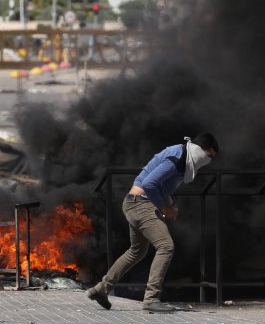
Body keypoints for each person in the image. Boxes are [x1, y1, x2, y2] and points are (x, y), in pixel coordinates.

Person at [86, 133, 219, 314]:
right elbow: (149, 184)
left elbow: (160, 186)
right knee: (166, 246)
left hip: (134, 202)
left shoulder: (180, 157)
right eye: (209, 156)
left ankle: (101, 290)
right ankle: (151, 299)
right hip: (141, 203)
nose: (209, 161)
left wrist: (170, 203)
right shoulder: (178, 157)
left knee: (137, 251)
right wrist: (164, 208)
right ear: (199, 149)